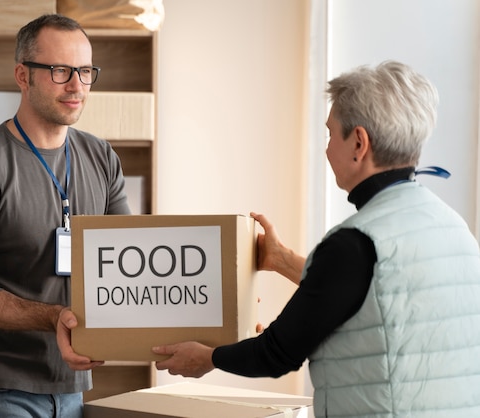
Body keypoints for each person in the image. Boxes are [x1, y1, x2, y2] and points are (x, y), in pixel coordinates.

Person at [151, 61, 480, 417]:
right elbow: (373, 297)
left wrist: (208, 358)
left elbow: (277, 352)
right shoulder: (452, 227)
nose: (326, 150)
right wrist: (279, 259)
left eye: (329, 134)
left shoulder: (354, 243)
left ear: (358, 142)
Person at [0, 14, 130, 418]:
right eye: (60, 71)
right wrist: (54, 318)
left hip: (74, 389)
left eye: (85, 71)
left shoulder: (102, 158)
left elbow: (126, 262)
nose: (77, 85)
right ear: (23, 76)